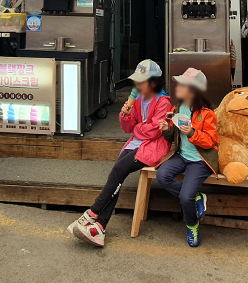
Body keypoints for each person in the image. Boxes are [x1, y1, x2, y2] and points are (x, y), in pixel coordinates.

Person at [67, 59, 171, 247]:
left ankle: (93, 213)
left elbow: (155, 131)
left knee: (119, 169)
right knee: (118, 173)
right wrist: (125, 114)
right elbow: (127, 128)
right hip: (136, 143)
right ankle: (99, 227)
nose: (137, 85)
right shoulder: (138, 100)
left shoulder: (163, 101)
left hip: (153, 146)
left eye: (142, 81)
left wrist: (138, 128)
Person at [157, 68, 219, 248]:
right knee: (162, 176)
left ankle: (192, 225)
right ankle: (198, 197)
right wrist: (166, 129)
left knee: (185, 197)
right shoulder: (177, 108)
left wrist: (192, 132)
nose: (178, 87)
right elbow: (171, 136)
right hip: (182, 155)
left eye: (182, 85)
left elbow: (210, 141)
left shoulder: (207, 113)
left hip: (200, 160)